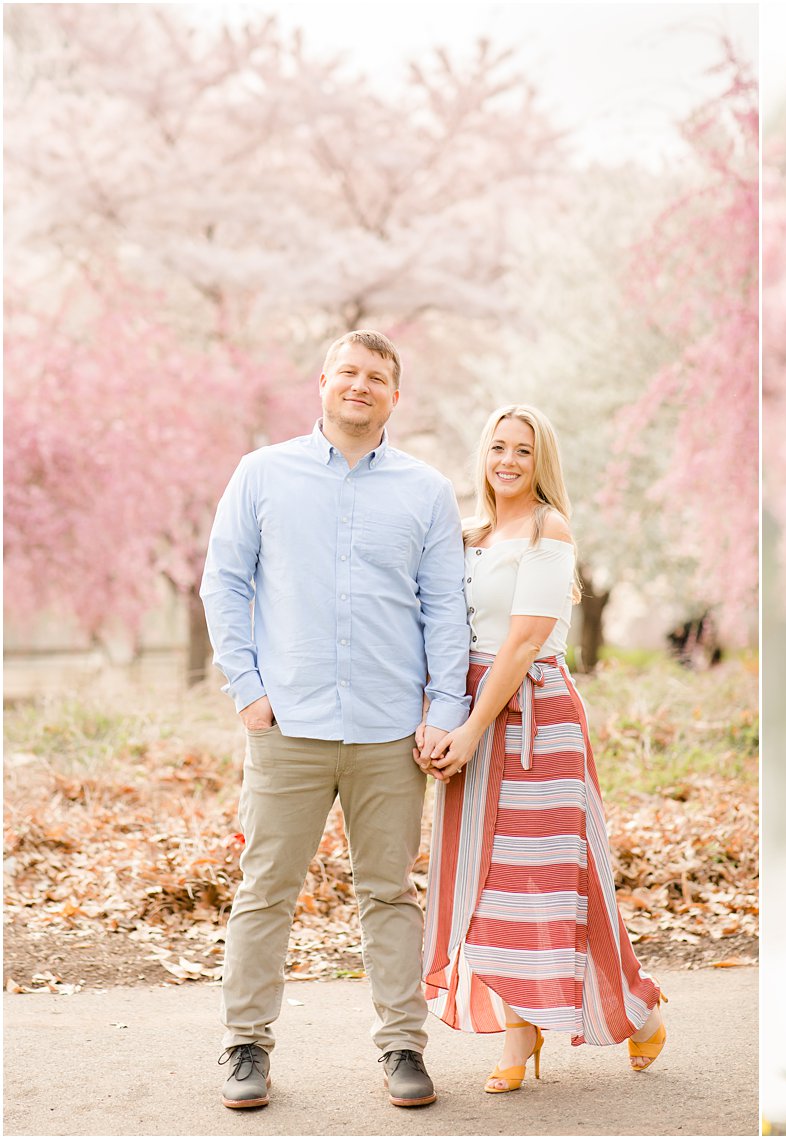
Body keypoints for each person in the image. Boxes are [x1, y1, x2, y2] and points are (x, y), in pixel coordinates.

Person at [201, 329, 470, 1109]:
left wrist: (444, 707)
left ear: (395, 395)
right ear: (322, 382)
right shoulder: (261, 474)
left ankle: (403, 1048)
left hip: (390, 732)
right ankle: (245, 1047)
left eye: (376, 376)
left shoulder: (425, 490)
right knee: (265, 889)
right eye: (347, 372)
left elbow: (445, 608)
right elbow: (223, 582)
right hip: (287, 727)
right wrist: (246, 687)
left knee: (389, 893)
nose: (360, 385)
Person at [416, 404, 666, 1093]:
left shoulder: (549, 530)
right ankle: (520, 1029)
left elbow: (525, 640)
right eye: (497, 447)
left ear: (540, 461)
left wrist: (471, 729)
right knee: (489, 875)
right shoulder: (468, 534)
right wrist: (440, 715)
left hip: (533, 722)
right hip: (471, 710)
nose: (507, 460)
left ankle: (635, 1006)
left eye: (522, 450)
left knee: (554, 879)